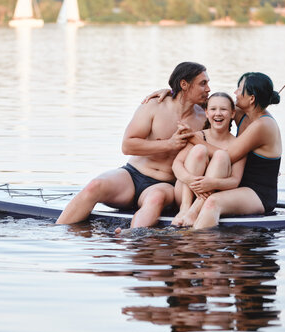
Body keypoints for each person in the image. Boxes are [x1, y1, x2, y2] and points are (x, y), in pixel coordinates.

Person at [55, 62, 210, 229]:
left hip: (165, 184)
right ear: (184, 84)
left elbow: (232, 107)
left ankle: (130, 236)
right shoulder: (154, 105)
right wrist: (169, 144)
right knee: (94, 186)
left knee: (155, 199)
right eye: (203, 83)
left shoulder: (205, 116)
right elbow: (127, 146)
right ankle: (57, 234)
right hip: (133, 174)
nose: (208, 88)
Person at [146, 72, 282, 229]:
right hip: (236, 186)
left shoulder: (263, 125)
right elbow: (210, 105)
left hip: (257, 193)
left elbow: (227, 156)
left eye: (239, 89)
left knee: (212, 203)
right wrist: (172, 94)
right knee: (206, 165)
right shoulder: (243, 114)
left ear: (251, 98)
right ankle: (189, 215)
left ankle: (192, 237)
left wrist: (193, 137)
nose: (235, 93)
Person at [171, 92, 246, 226]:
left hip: (212, 196)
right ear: (206, 112)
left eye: (223, 109)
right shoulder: (198, 136)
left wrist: (212, 183)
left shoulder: (237, 144)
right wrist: (190, 179)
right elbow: (176, 164)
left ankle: (195, 211)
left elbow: (235, 181)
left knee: (221, 155)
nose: (218, 113)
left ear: (232, 113)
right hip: (185, 193)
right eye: (213, 109)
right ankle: (185, 209)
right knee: (199, 149)